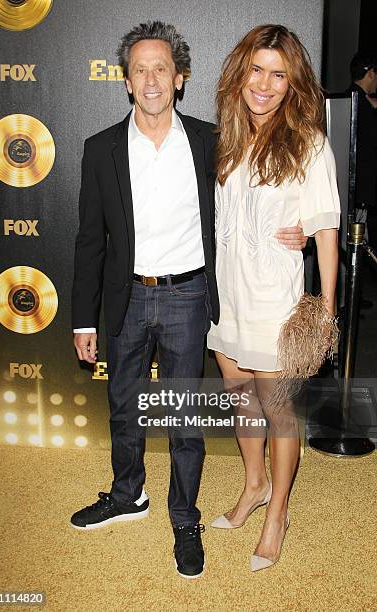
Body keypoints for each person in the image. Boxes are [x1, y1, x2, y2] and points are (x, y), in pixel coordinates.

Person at [70, 21, 306, 579]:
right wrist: (83, 319)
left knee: (183, 418)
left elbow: (261, 189)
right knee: (123, 408)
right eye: (139, 70)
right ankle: (128, 494)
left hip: (189, 296)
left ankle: (184, 517)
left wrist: (297, 226)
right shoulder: (99, 149)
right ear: (126, 82)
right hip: (127, 299)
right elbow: (88, 241)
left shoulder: (210, 141)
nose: (150, 80)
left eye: (161, 69)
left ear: (179, 78)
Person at [207, 24, 340, 571]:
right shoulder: (228, 139)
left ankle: (277, 512)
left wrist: (327, 309)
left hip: (275, 302)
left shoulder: (308, 142)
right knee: (241, 399)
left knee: (278, 411)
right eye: (256, 70)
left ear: (293, 84)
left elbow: (326, 226)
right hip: (228, 297)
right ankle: (254, 484)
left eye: (278, 74)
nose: (264, 83)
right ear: (241, 73)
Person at [346, 52, 377, 253]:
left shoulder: (347, 97)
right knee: (360, 247)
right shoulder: (364, 106)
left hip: (350, 189)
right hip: (364, 192)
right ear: (371, 73)